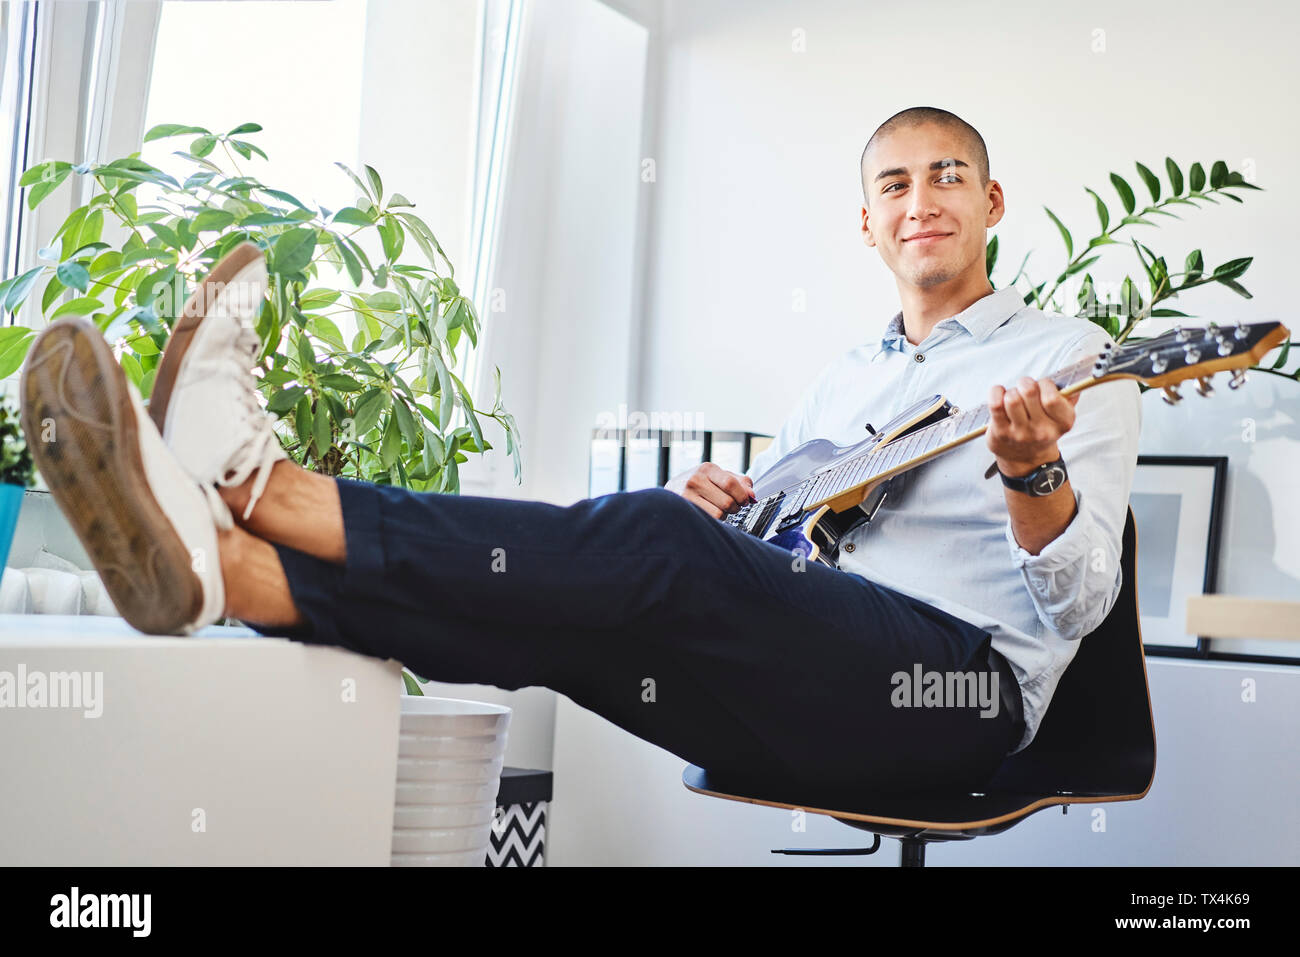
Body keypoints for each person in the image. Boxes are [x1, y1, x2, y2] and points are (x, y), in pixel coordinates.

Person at [20, 106, 1139, 796]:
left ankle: (270, 489)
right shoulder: (841, 380)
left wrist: (1030, 468)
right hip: (807, 686)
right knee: (580, 609)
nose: (921, 201)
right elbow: (799, 543)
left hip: (950, 698)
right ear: (866, 222)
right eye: (894, 183)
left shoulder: (1068, 359)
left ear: (989, 201)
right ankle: (240, 578)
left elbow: (1081, 601)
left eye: (947, 177)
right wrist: (735, 515)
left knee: (649, 543)